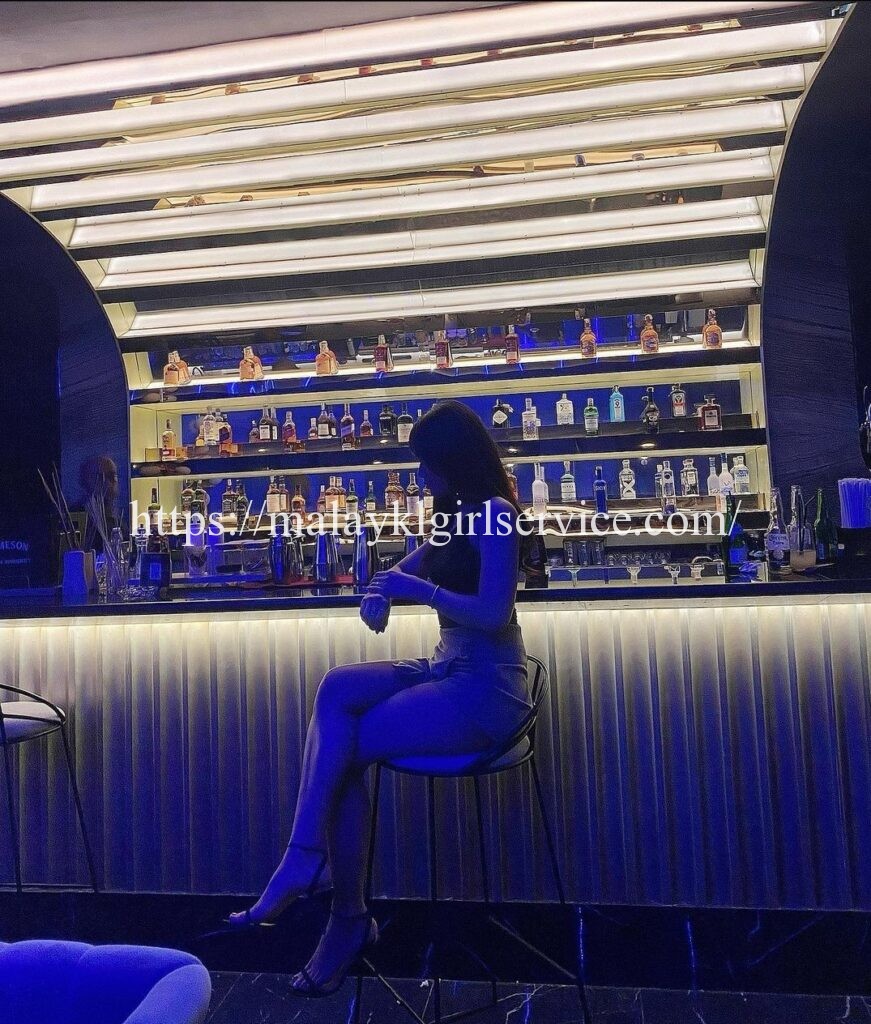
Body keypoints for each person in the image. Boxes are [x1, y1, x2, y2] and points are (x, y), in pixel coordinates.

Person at [225, 401, 535, 997]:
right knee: (337, 687)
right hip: (447, 666)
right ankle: (305, 859)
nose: (420, 475)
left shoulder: (496, 514)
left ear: (451, 460)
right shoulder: (453, 516)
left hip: (487, 688)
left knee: (344, 747)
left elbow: (494, 613)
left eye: (425, 463)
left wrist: (416, 589)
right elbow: (402, 571)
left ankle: (338, 908)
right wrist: (379, 591)